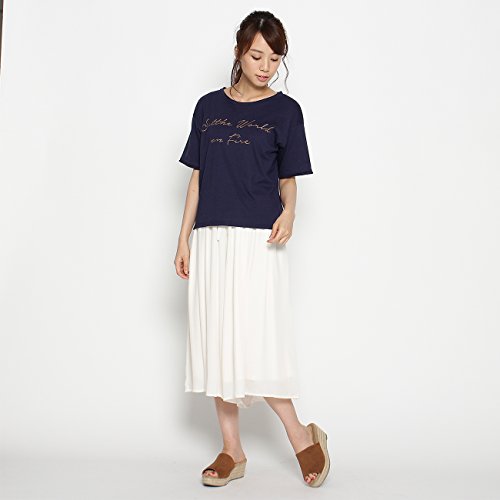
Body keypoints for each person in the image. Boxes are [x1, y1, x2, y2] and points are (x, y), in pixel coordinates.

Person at [174, 10, 330, 488]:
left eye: (275, 58)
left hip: (259, 239)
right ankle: (232, 450)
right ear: (239, 52)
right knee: (218, 341)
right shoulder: (207, 107)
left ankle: (301, 435)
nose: (266, 67)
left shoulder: (286, 111)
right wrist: (183, 237)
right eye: (257, 55)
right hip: (211, 237)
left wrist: (290, 212)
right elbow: (197, 178)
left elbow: (289, 178)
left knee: (258, 340)